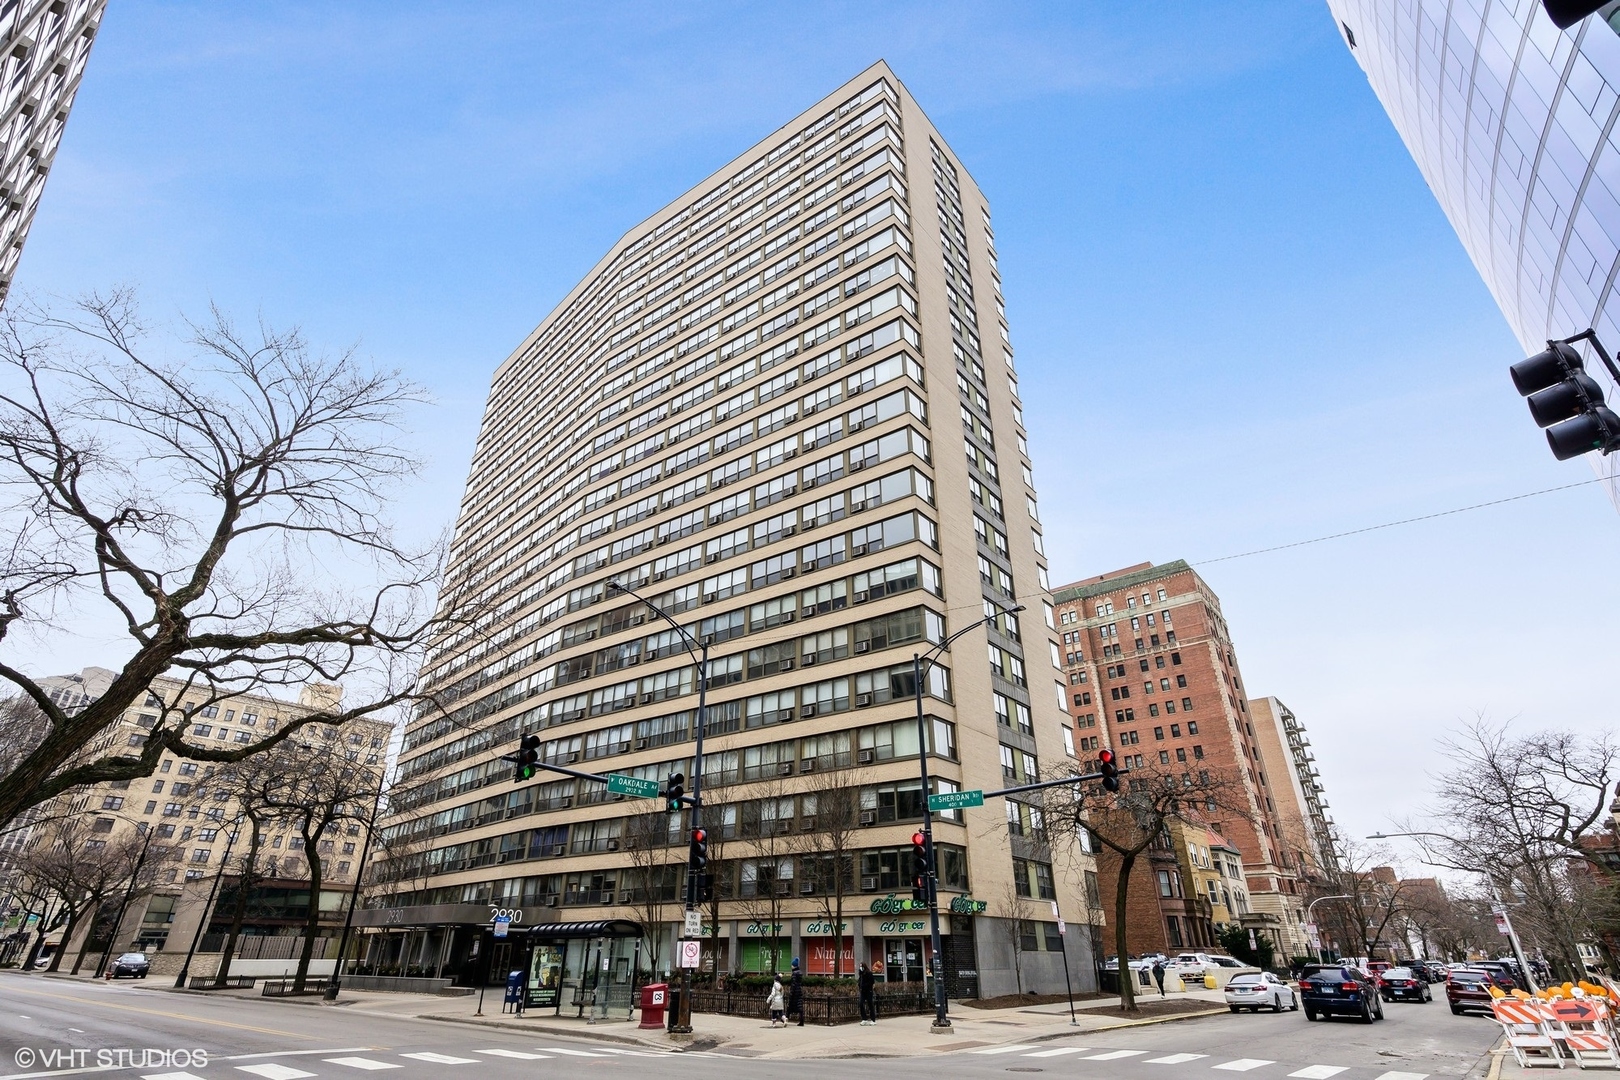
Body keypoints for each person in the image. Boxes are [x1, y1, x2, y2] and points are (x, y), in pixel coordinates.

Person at [789, 957, 805, 1026]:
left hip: (795, 992)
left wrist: (791, 992)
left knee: (789, 1005)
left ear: (794, 966)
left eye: (792, 965)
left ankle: (785, 1018)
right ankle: (801, 1020)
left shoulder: (794, 974)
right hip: (799, 991)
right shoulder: (800, 973)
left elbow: (793, 984)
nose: (791, 966)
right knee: (800, 1007)